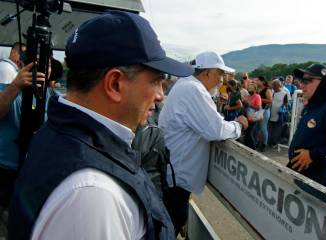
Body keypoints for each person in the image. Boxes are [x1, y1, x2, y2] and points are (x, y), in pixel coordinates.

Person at [8, 11, 194, 240]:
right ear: (115, 83)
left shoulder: (60, 133)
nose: (160, 95)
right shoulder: (94, 195)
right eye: (156, 81)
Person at [158, 51, 248, 236]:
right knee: (169, 228)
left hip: (174, 174)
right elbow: (215, 130)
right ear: (206, 73)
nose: (222, 80)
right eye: (220, 74)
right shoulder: (194, 89)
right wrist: (239, 125)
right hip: (177, 178)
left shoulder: (187, 85)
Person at [0, 63, 46, 208]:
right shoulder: (7, 89)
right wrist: (15, 86)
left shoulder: (51, 97)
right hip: (4, 171)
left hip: (32, 172)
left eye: (46, 64)